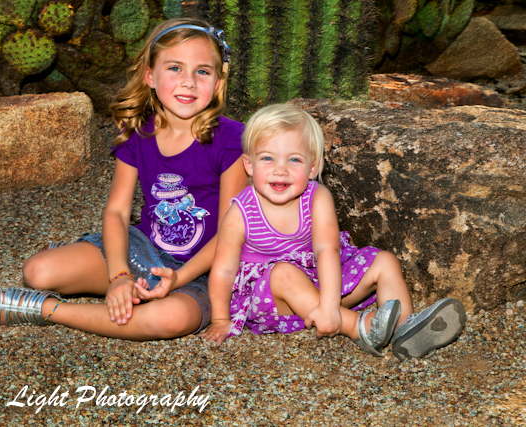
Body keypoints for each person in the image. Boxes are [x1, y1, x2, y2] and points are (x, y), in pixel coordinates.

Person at [0, 17, 248, 340]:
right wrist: (120, 276)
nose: (189, 82)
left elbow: (229, 235)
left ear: (217, 80)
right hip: (142, 249)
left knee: (168, 319)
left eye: (202, 71)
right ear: (150, 76)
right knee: (37, 271)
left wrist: (179, 279)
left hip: (205, 272)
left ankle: (44, 311)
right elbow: (116, 211)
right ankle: (84, 254)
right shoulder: (138, 132)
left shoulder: (232, 140)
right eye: (175, 68)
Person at [198, 104, 466, 360]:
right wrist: (221, 319)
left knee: (385, 261)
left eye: (294, 159)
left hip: (324, 281)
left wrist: (328, 305)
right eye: (267, 158)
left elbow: (327, 250)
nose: (280, 169)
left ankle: (405, 329)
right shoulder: (240, 212)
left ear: (312, 167)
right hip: (271, 298)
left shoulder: (317, 197)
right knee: (283, 273)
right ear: (249, 165)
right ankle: (358, 327)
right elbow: (222, 270)